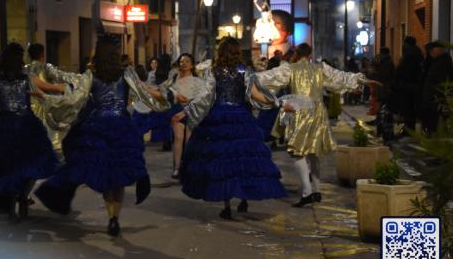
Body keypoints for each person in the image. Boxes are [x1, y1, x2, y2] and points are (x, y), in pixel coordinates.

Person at [35, 35, 170, 236]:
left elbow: (75, 99)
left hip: (97, 126)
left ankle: (110, 217)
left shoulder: (91, 75)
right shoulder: (127, 74)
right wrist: (168, 97)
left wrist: (47, 101)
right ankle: (114, 217)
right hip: (121, 126)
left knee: (107, 175)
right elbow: (145, 93)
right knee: (117, 176)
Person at [172, 38, 288, 220]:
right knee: (242, 159)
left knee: (223, 161)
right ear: (237, 52)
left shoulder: (214, 72)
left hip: (219, 118)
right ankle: (243, 197)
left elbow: (205, 97)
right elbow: (256, 95)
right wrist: (278, 102)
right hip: (241, 117)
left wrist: (186, 112)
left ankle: (226, 205)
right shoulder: (245, 71)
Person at [257, 43, 378, 207]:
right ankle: (316, 190)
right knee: (313, 152)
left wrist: (246, 78)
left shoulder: (290, 69)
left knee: (297, 152)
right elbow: (340, 77)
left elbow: (268, 78)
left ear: (298, 54)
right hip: (318, 111)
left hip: (299, 110)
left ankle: (307, 192)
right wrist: (363, 80)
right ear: (310, 54)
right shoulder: (320, 68)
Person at [0, 43, 65, 221]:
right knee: (33, 163)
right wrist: (74, 88)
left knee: (7, 166)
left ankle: (11, 205)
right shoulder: (27, 78)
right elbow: (53, 89)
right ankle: (24, 195)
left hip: (4, 125)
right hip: (27, 125)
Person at [149, 53, 205, 180]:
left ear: (192, 65)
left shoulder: (198, 81)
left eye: (187, 61)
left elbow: (201, 98)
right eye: (181, 61)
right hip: (177, 110)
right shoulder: (174, 79)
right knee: (178, 139)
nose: (184, 63)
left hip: (192, 110)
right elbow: (161, 90)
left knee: (189, 140)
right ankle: (177, 168)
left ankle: (189, 167)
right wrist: (145, 88)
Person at [25, 43, 86, 154]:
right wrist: (77, 81)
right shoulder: (45, 66)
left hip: (29, 106)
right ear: (42, 54)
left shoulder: (26, 69)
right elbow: (62, 76)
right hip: (44, 105)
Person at [391, 36, 423, 135]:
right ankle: (408, 128)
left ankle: (409, 130)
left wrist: (400, 82)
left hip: (408, 87)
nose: (402, 45)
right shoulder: (416, 53)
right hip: (410, 86)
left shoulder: (410, 55)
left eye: (404, 43)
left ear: (407, 44)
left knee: (408, 109)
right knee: (408, 109)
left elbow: (405, 71)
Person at [421, 41, 453, 134]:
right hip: (433, 100)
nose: (430, 53)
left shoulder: (443, 63)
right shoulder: (436, 62)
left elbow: (441, 82)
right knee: (433, 123)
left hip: (436, 100)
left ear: (438, 50)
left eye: (432, 51)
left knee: (437, 124)